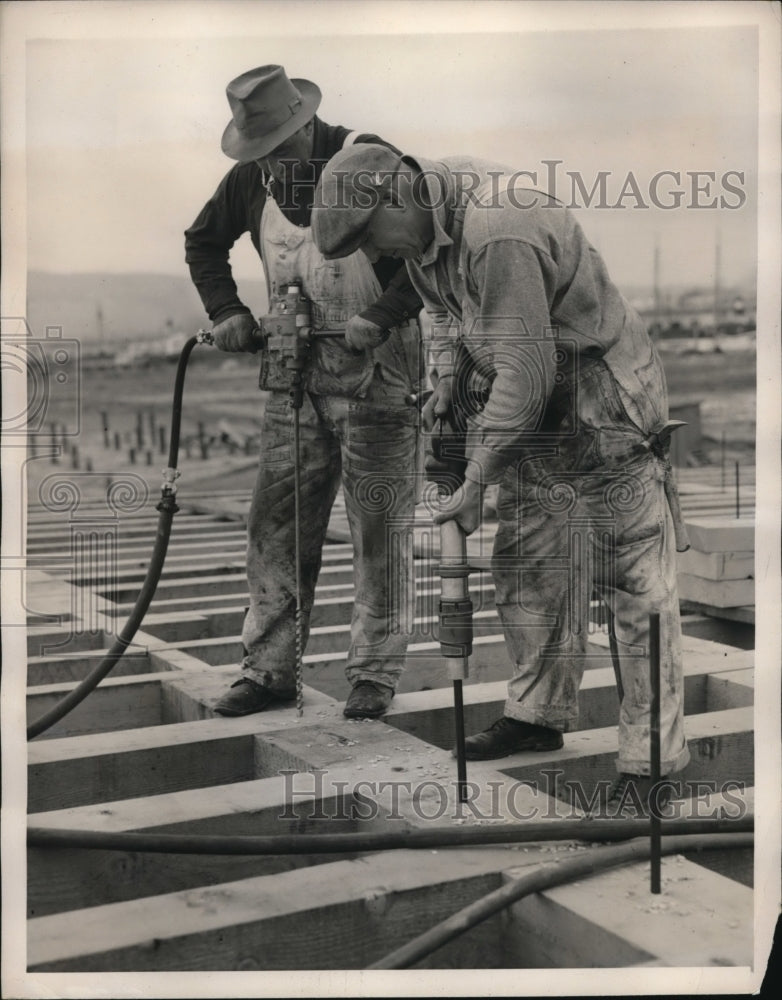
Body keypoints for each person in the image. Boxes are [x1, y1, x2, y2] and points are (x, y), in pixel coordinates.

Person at [311, 143, 692, 814]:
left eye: (375, 240)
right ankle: (537, 714)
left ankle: (651, 766)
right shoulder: (427, 233)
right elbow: (449, 320)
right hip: (539, 408)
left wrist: (479, 470)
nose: (381, 258)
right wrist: (445, 390)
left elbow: (526, 370)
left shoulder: (497, 229)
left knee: (633, 585)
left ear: (399, 198)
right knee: (530, 565)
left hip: (603, 401)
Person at [185, 67, 424, 719]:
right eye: (261, 154)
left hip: (380, 375)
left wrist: (382, 315)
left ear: (308, 125)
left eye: (283, 148)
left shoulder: (365, 160)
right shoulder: (251, 178)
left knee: (379, 528)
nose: (275, 165)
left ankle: (374, 673)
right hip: (294, 381)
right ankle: (268, 671)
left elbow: (427, 254)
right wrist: (227, 310)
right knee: (276, 523)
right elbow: (203, 242)